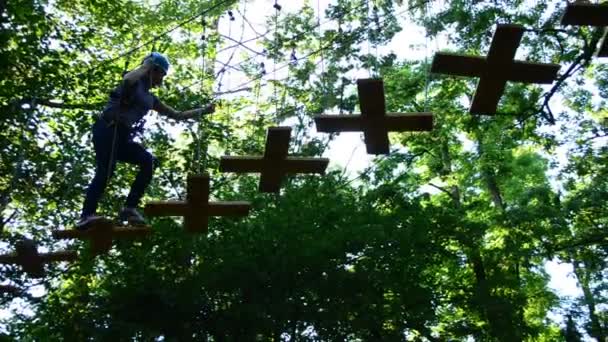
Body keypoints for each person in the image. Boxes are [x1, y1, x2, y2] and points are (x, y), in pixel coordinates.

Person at [77, 52, 214, 229]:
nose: (161, 79)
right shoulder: (132, 84)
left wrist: (203, 110)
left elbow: (177, 115)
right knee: (106, 171)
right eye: (160, 73)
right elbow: (127, 80)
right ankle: (86, 216)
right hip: (107, 130)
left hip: (122, 138)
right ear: (151, 70)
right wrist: (146, 65)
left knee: (148, 161)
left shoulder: (151, 99)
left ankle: (129, 208)